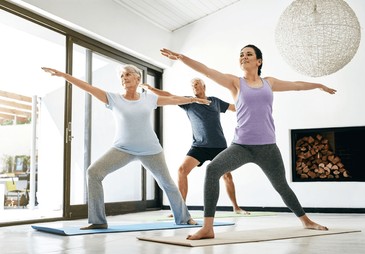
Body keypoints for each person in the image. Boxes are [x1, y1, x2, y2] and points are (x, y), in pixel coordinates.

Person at [160, 45, 335, 240]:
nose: (244, 57)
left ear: (259, 61)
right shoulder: (235, 83)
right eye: (241, 55)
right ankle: (208, 227)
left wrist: (318, 85)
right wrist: (181, 57)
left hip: (268, 147)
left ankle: (306, 220)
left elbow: (296, 85)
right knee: (213, 170)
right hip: (241, 146)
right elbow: (207, 71)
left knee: (281, 186)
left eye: (249, 54)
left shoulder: (270, 83)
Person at [42, 65, 211, 229]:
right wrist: (64, 75)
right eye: (122, 76)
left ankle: (184, 218)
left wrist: (193, 99)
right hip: (122, 148)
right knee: (93, 173)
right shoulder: (113, 99)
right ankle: (98, 220)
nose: (124, 78)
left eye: (128, 74)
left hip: (150, 149)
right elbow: (87, 87)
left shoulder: (148, 98)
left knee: (167, 183)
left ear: (138, 78)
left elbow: (173, 100)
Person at [141, 79, 249, 215]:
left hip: (218, 146)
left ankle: (236, 207)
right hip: (199, 146)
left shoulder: (215, 101)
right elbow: (169, 95)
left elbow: (235, 108)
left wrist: (250, 102)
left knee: (227, 176)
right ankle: (181, 208)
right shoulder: (189, 102)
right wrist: (151, 88)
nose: (194, 86)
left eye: (197, 84)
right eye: (192, 85)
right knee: (182, 170)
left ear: (204, 86)